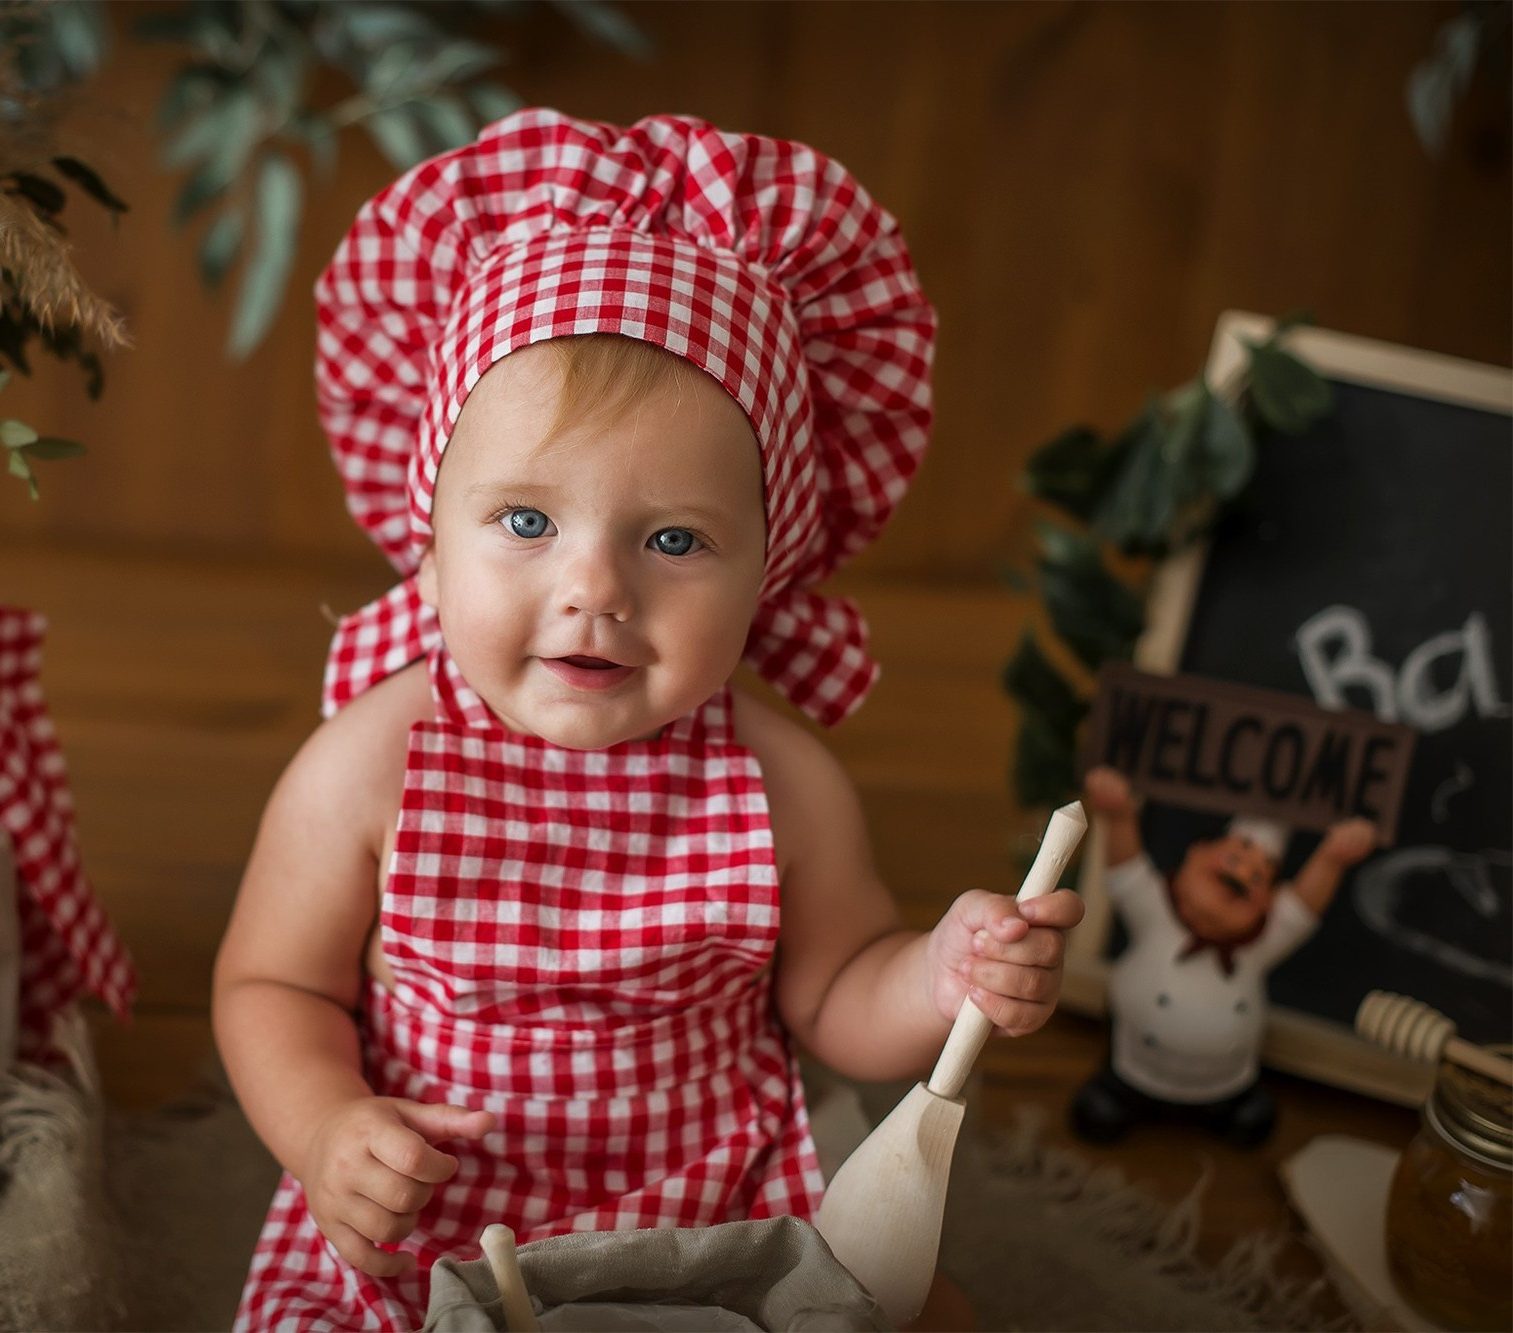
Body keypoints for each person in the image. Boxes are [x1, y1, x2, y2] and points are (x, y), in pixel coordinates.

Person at [213, 109, 1085, 1332]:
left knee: (926, 1313)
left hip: (703, 1214)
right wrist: (325, 1129)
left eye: (673, 539)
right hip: (431, 1210)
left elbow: (834, 994)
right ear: (427, 533)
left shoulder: (779, 781)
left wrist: (941, 973)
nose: (593, 589)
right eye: (524, 521)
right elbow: (270, 985)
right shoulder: (370, 764)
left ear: (768, 571)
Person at [1070, 765, 1376, 1148]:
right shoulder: (1155, 913)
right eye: (1235, 856)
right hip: (1134, 1065)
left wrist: (1333, 858)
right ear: (1194, 855)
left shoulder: (1259, 945)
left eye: (1259, 877)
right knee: (1104, 1108)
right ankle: (1116, 1096)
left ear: (1269, 902)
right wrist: (1119, 815)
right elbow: (1126, 869)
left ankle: (1228, 1108)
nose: (1245, 872)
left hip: (1225, 1080)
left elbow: (1302, 908)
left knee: (1249, 1121)